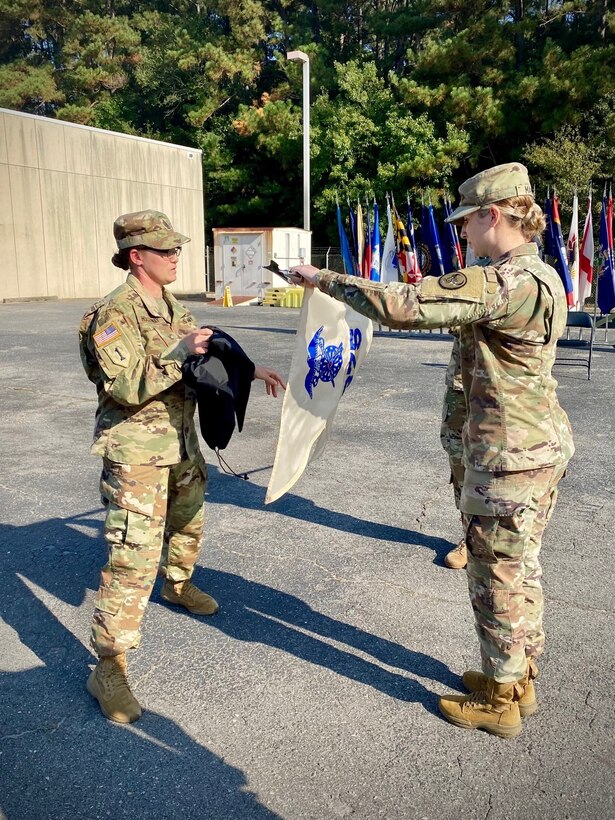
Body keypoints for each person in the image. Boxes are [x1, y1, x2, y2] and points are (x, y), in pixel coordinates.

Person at [290, 163, 574, 738]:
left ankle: (502, 700)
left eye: (467, 221)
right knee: (522, 567)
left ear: (494, 214)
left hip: (506, 458)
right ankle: (518, 674)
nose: (463, 233)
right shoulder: (541, 274)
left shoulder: (504, 280)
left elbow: (406, 304)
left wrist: (324, 279)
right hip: (536, 446)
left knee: (495, 575)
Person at [79, 210, 285, 724]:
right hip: (137, 454)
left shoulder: (172, 305)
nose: (175, 256)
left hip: (181, 444)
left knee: (190, 521)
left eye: (175, 249)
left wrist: (250, 369)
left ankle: (178, 582)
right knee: (131, 556)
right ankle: (109, 665)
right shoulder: (112, 315)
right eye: (165, 250)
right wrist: (177, 352)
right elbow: (125, 386)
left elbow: (207, 352)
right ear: (135, 256)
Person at [440, 329, 468, 569]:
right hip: (461, 387)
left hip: (505, 390)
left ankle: (495, 543)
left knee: (499, 469)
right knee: (459, 460)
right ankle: (470, 538)